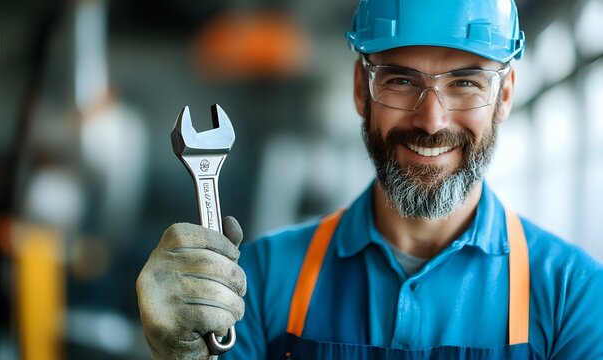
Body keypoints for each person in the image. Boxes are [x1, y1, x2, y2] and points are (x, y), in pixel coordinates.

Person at [136, 0, 603, 358]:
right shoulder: (259, 279)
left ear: (504, 98)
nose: (432, 120)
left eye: (466, 82)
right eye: (400, 81)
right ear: (362, 90)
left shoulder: (574, 295)